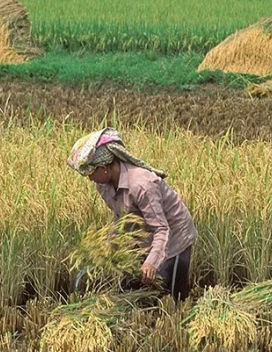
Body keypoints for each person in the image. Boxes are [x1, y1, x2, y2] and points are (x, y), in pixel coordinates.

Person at [67, 127, 198, 301]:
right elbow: (122, 218)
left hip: (173, 236)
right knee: (140, 287)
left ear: (104, 168)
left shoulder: (142, 185)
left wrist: (152, 262)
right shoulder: (104, 186)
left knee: (167, 291)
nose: (89, 179)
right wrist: (108, 248)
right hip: (146, 233)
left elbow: (161, 228)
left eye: (91, 173)